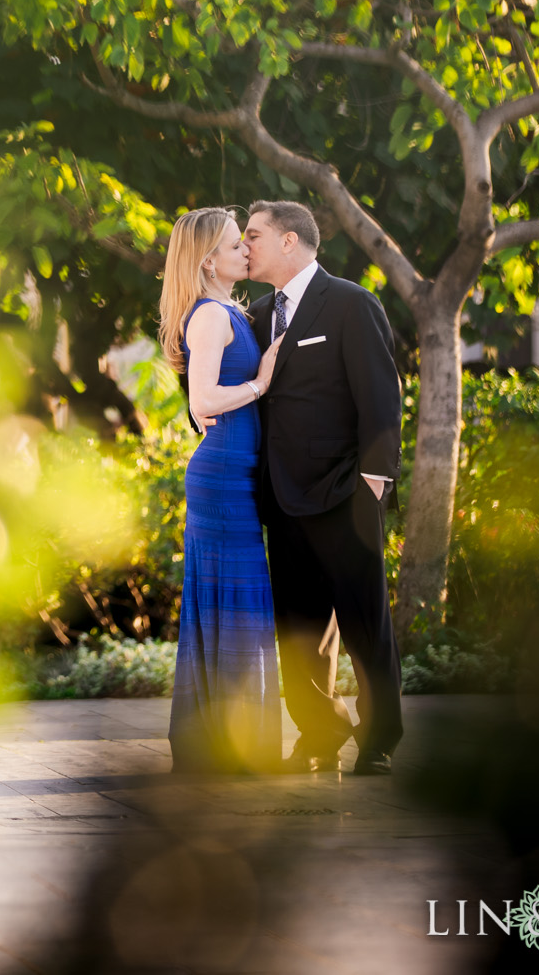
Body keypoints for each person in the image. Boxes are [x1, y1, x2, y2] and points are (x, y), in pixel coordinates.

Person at [242, 200, 405, 777]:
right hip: (281, 500)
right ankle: (319, 732)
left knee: (364, 623)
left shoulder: (352, 304)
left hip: (344, 494)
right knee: (299, 629)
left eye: (254, 235)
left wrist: (373, 481)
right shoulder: (257, 314)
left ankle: (380, 738)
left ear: (290, 241)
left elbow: (382, 397)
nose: (245, 246)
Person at [159, 207, 285, 772]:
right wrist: (260, 383)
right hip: (221, 479)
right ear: (209, 260)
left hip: (235, 473)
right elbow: (203, 402)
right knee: (236, 606)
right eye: (237, 245)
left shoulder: (228, 311)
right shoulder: (210, 316)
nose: (246, 252)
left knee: (237, 606)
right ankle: (227, 746)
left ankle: (229, 742)